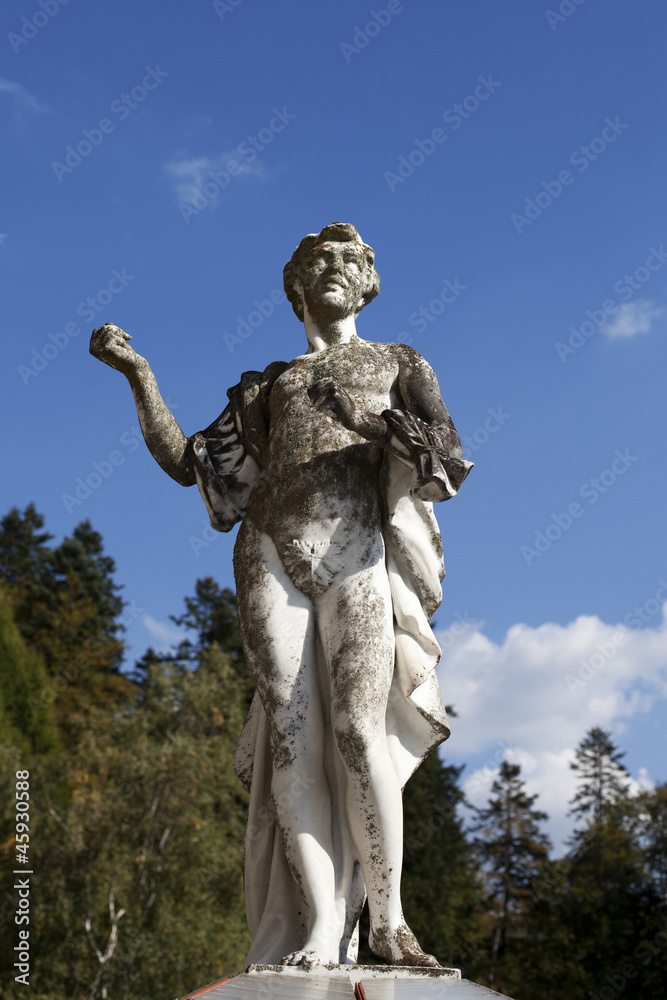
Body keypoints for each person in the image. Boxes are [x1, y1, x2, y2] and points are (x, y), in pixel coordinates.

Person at [89, 222, 472, 970]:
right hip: (267, 548)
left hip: (355, 545)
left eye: (347, 261)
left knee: (358, 734)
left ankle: (389, 921)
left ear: (366, 283)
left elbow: (446, 455)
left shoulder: (397, 360)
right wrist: (138, 374)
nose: (332, 268)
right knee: (292, 740)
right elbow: (187, 462)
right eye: (316, 261)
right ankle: (320, 926)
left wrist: (364, 418)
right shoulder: (266, 385)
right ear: (296, 284)